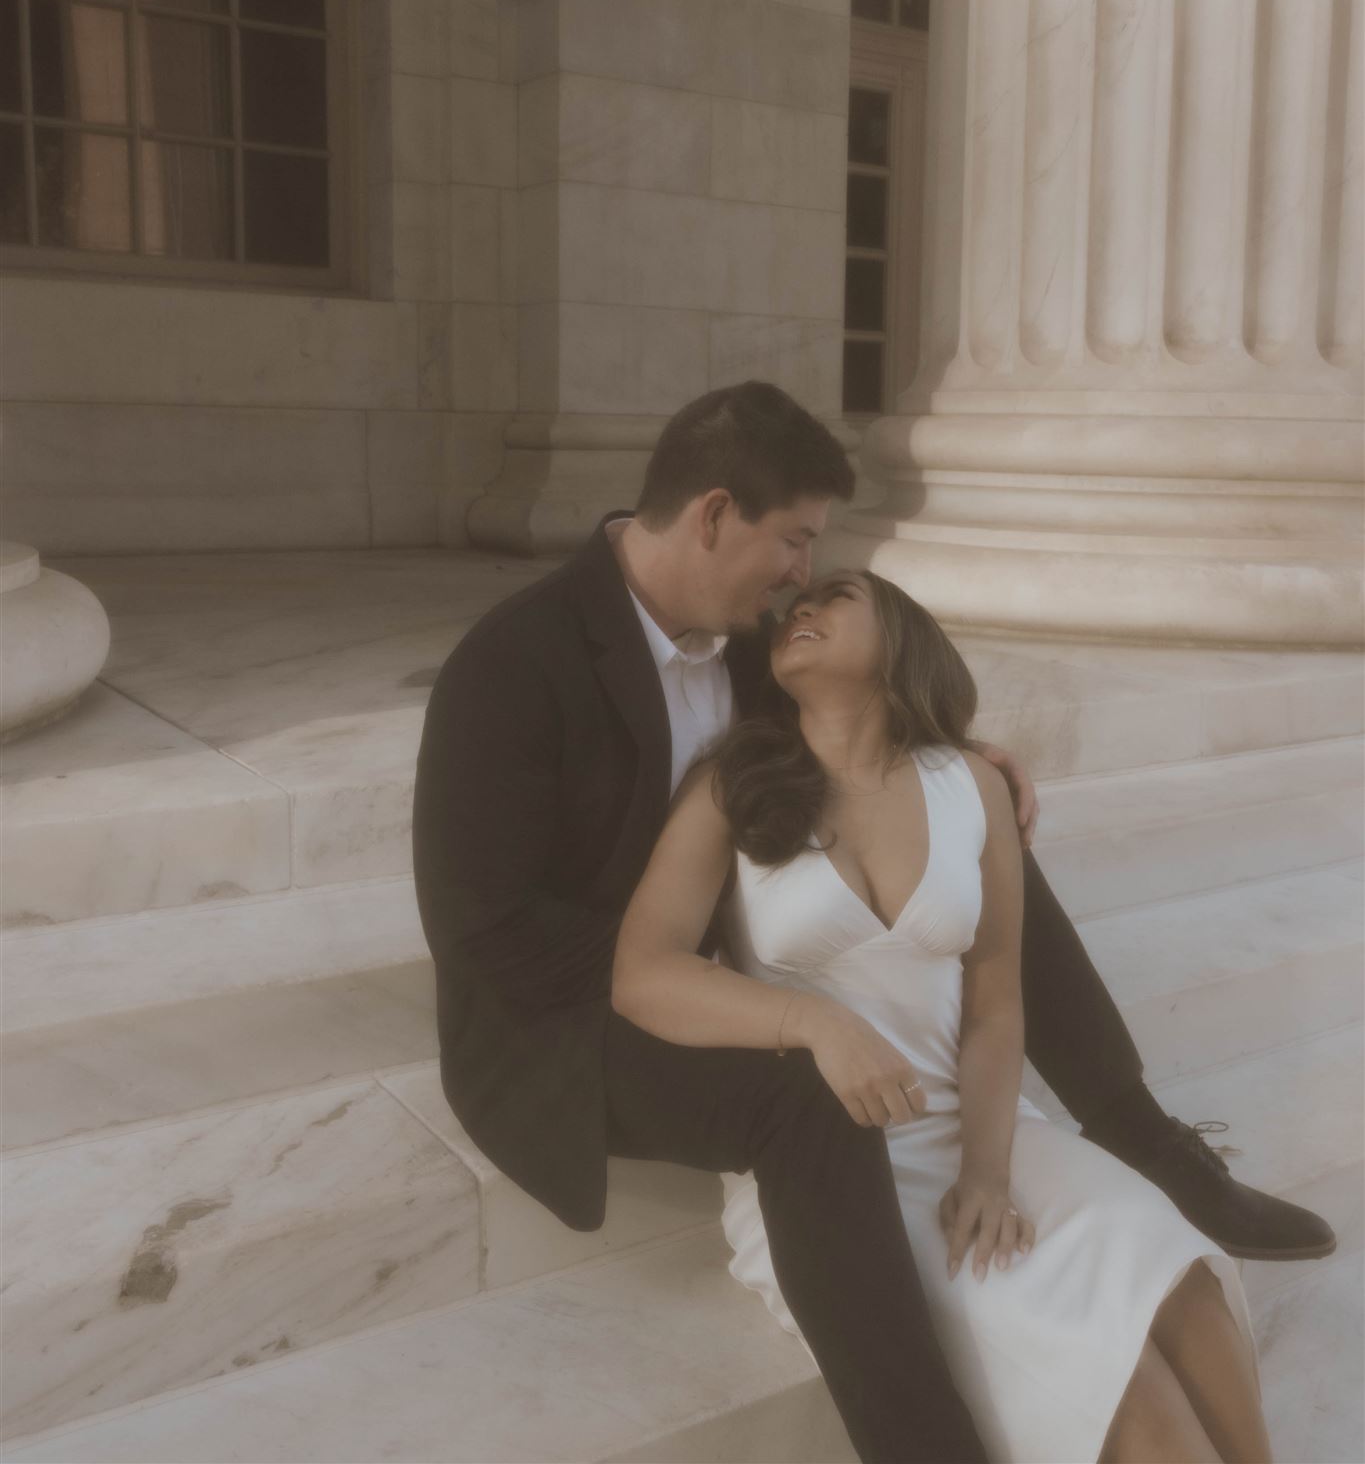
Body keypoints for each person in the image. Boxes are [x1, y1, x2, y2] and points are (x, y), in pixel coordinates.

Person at [413, 383, 1332, 1464]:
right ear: (714, 515)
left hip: (716, 960)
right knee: (804, 1092)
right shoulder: (514, 661)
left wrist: (964, 762)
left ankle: (1139, 1135)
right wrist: (746, 992)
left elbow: (856, 723)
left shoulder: (755, 641)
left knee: (981, 847)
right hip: (564, 1020)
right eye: (794, 539)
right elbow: (490, 936)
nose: (801, 573)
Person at [613, 568, 1274, 1464]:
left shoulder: (970, 783)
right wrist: (812, 1024)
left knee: (1179, 1272)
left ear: (903, 637)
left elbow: (996, 1003)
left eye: (835, 595)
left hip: (983, 1129)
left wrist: (988, 1171)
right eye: (793, 602)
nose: (799, 607)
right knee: (1130, 1392)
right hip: (833, 1167)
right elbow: (643, 974)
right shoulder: (733, 786)